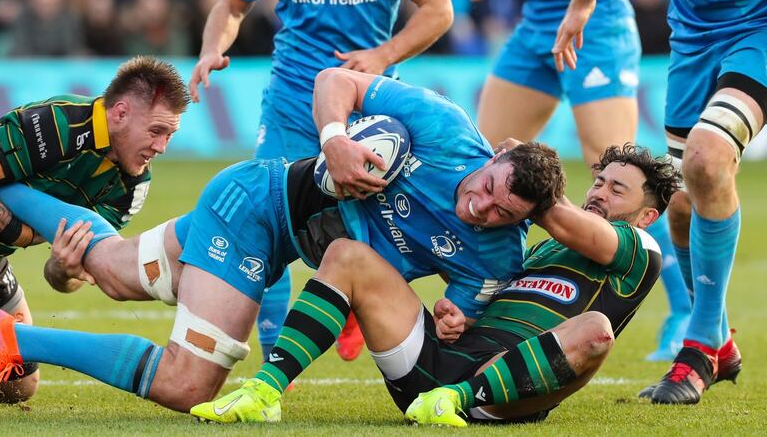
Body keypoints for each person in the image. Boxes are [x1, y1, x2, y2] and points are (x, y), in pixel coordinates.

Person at [0, 69, 565, 416]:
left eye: (501, 212)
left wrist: (454, 317)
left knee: (119, 272)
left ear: (525, 221)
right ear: (497, 154)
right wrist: (335, 139)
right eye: (487, 187)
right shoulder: (445, 129)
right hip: (256, 208)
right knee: (187, 385)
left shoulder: (497, 255)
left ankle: (12, 189)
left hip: (272, 231)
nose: (480, 206)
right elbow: (336, 79)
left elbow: (462, 311)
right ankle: (8, 338)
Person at [188, 143, 681, 425]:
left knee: (595, 330)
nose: (600, 192)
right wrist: (456, 316)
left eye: (617, 189)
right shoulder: (539, 252)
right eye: (599, 181)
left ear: (647, 216)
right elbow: (488, 296)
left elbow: (570, 223)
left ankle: (459, 399)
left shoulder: (640, 252)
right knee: (346, 255)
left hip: (501, 394)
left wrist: (522, 175)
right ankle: (263, 392)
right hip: (432, 373)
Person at [189, 0, 454, 363]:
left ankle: (355, 292)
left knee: (375, 226)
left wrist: (384, 54)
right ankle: (274, 359)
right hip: (291, 103)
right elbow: (231, 6)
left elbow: (439, 9)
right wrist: (211, 49)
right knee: (264, 224)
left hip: (363, 104)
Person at [473, 0, 689, 361]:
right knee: (483, 167)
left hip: (595, 22)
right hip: (537, 21)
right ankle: (480, 301)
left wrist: (583, 4)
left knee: (623, 178)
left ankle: (687, 315)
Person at [0, 55, 189, 404]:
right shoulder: (55, 124)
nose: (161, 147)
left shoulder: (130, 188)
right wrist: (25, 235)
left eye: (170, 136)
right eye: (155, 131)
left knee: (19, 386)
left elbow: (66, 279)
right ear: (120, 113)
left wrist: (63, 268)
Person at [638, 0, 765, 404]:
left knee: (707, 158)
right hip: (692, 38)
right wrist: (582, 5)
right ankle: (720, 345)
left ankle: (699, 348)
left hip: (758, 28)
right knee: (679, 203)